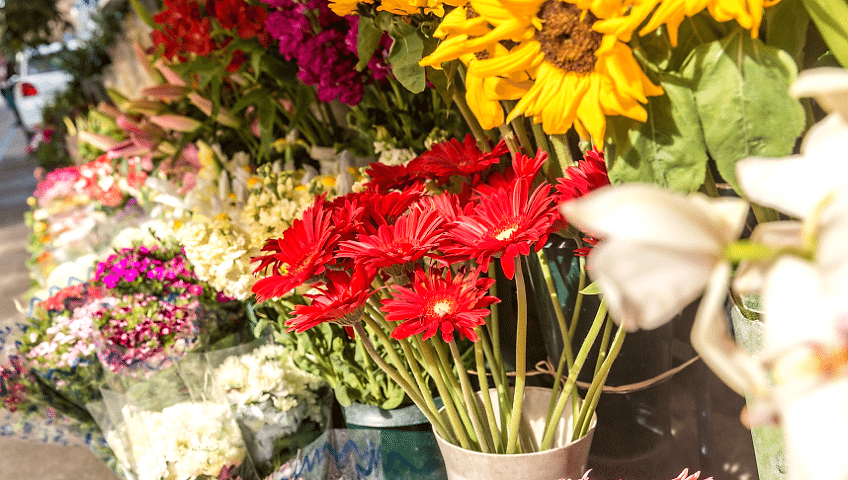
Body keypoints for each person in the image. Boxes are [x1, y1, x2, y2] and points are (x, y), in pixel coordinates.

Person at [0, 56, 24, 126]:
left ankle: (20, 120)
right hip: (3, 88)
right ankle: (18, 119)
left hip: (10, 86)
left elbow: (14, 74)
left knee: (14, 104)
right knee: (10, 104)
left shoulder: (9, 64)